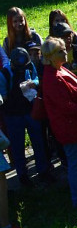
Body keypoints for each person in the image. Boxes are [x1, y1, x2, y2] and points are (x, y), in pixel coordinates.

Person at [40, 37, 77, 209]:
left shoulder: (61, 69)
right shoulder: (52, 78)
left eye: (64, 49)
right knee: (76, 165)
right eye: (60, 50)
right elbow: (66, 107)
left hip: (76, 124)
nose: (65, 52)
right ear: (49, 56)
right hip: (69, 128)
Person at [0, 46, 53, 186]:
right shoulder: (4, 74)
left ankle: (43, 171)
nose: (22, 69)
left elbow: (36, 79)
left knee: (38, 142)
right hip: (13, 115)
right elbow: (3, 96)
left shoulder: (29, 66)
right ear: (11, 62)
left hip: (30, 111)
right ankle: (22, 175)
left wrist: (32, 83)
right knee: (17, 146)